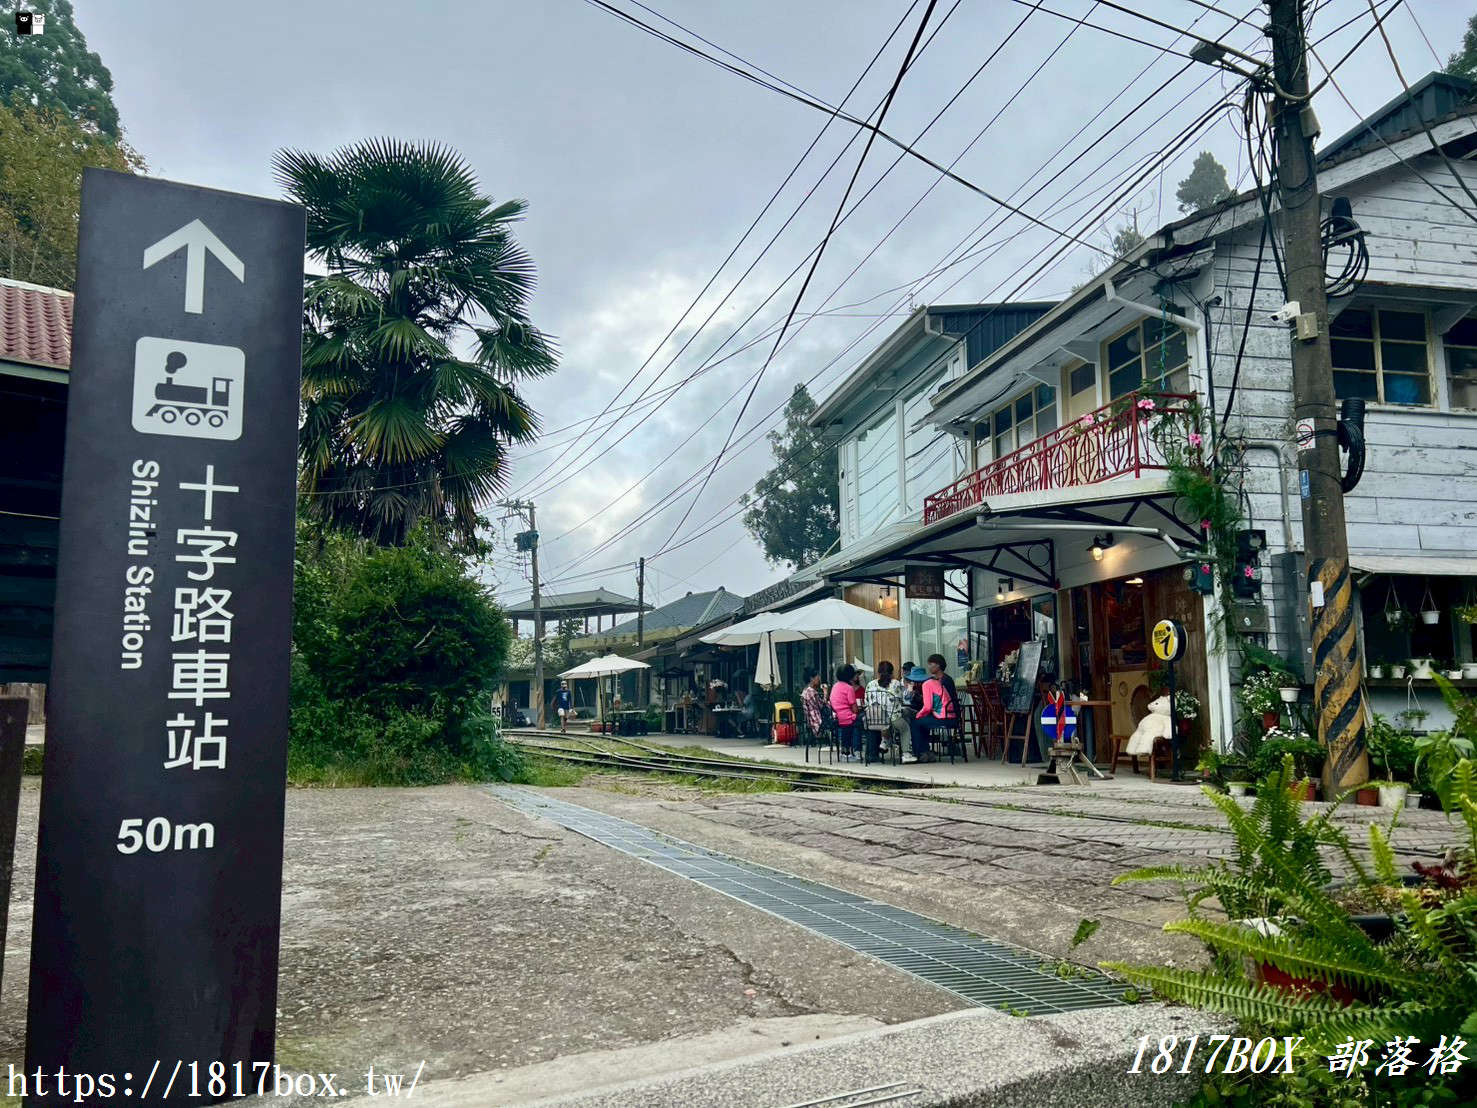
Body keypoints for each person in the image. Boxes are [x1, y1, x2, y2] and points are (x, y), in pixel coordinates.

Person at [909, 654, 960, 763]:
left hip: (947, 715)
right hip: (946, 713)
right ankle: (926, 751)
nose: (929, 667)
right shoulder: (938, 680)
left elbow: (943, 700)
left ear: (938, 665)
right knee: (923, 721)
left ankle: (921, 753)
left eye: (931, 664)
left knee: (916, 722)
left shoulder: (945, 680)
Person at [863, 661, 903, 763]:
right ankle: (903, 751)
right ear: (892, 672)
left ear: (878, 672)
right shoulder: (896, 683)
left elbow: (866, 702)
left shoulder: (870, 684)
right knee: (904, 723)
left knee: (873, 723)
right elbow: (900, 700)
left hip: (874, 718)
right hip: (890, 719)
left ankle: (873, 753)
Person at [830, 664, 861, 757]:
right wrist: (858, 711)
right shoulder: (849, 688)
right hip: (847, 717)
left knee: (847, 730)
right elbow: (854, 706)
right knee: (861, 723)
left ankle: (844, 750)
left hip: (836, 716)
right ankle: (856, 750)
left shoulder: (835, 686)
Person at [800, 668, 826, 741]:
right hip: (818, 720)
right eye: (818, 677)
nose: (819, 679)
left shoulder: (805, 691)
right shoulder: (811, 692)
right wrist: (825, 692)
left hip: (811, 719)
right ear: (812, 679)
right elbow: (822, 705)